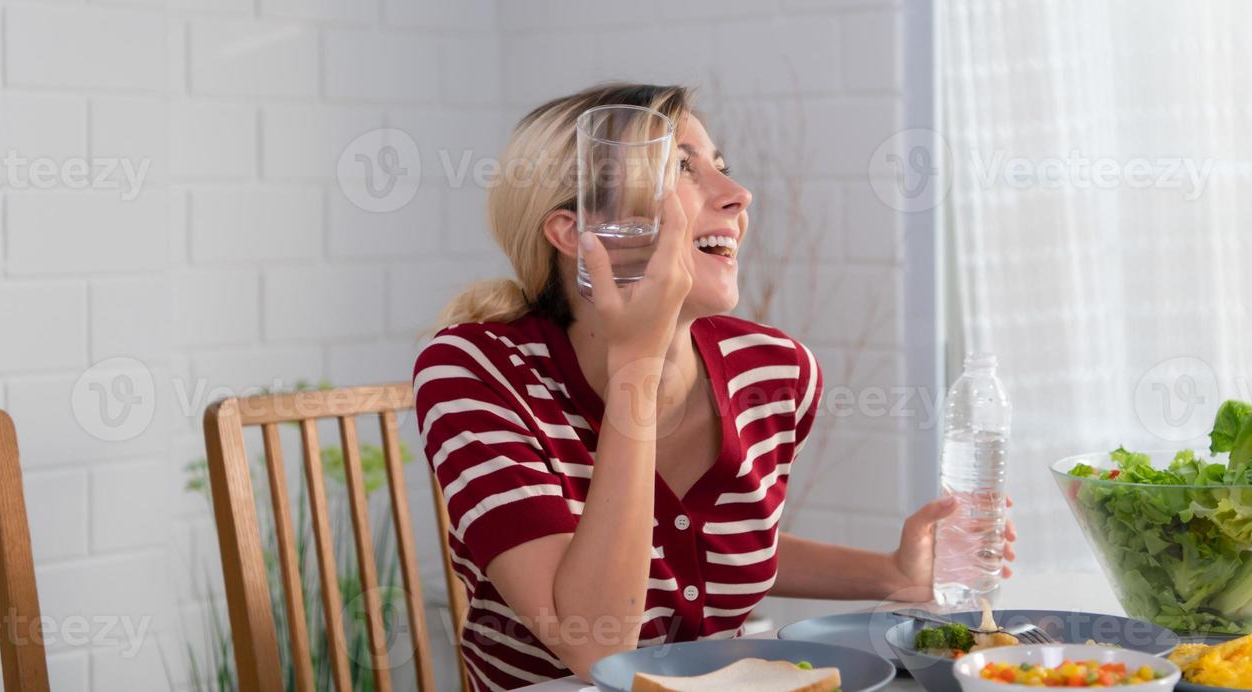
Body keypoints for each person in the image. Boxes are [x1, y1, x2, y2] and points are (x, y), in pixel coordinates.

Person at [414, 83, 1015, 690]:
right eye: (679, 167)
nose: (738, 195)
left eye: (720, 168)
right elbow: (595, 642)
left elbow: (706, 545)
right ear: (579, 233)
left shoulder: (775, 374)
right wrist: (636, 366)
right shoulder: (475, 371)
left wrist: (890, 572)